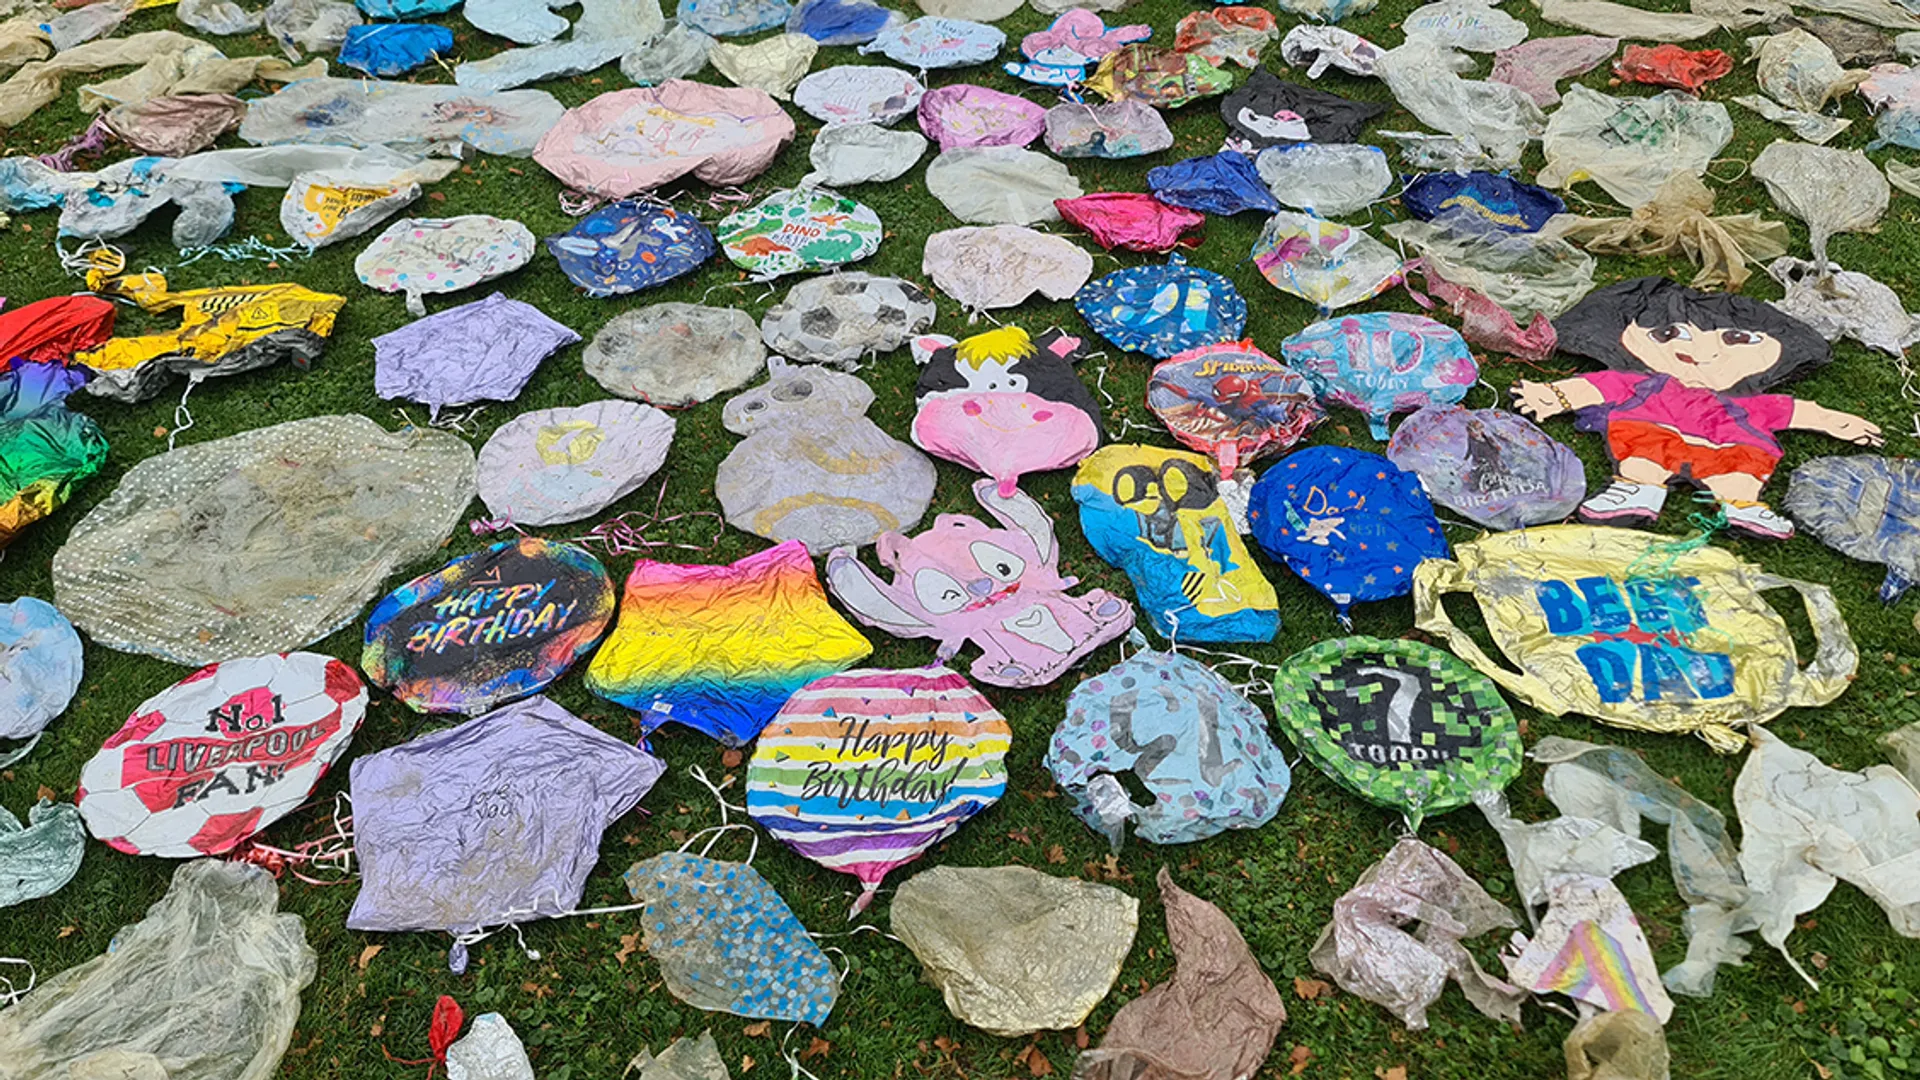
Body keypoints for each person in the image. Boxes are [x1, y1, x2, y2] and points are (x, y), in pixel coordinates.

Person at [1514, 277, 1882, 539]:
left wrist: (1833, 421)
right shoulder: (1644, 383)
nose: (1701, 353)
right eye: (1669, 335)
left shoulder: (1748, 400)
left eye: (1735, 339)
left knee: (1738, 469)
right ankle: (1639, 489)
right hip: (1653, 432)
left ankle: (1742, 505)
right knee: (1644, 454)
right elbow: (1600, 386)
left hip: (1731, 444)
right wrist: (1553, 395)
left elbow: (1789, 410)